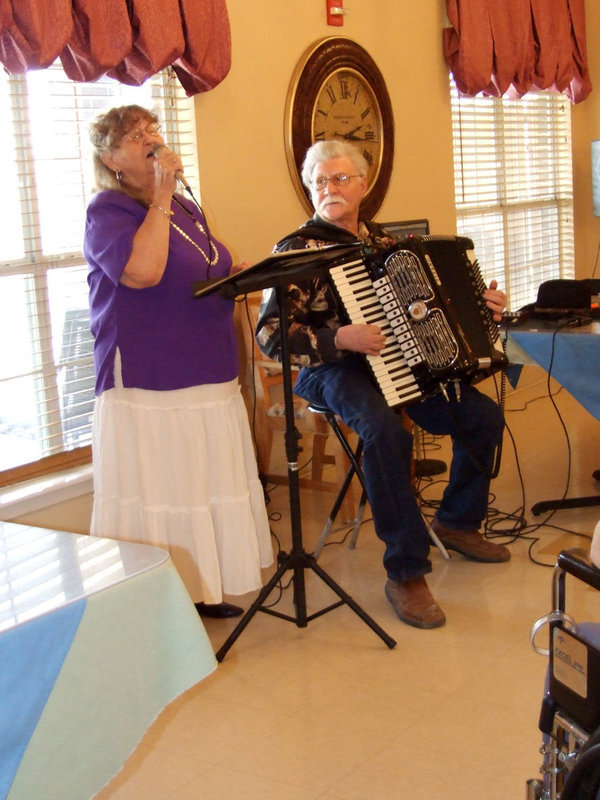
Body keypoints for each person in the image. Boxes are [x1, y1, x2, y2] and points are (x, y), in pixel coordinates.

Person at [256, 139, 509, 630]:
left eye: (340, 178)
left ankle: (457, 521)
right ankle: (406, 570)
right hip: (331, 369)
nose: (329, 188)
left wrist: (481, 309)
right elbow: (272, 336)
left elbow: (431, 312)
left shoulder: (388, 246)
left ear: (363, 185)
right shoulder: (296, 251)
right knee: (385, 431)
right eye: (320, 181)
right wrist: (338, 338)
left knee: (483, 416)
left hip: (399, 362)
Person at [84, 105, 273, 619]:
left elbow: (218, 265)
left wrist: (258, 270)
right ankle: (160, 603)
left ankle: (202, 586)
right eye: (133, 135)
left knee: (201, 484)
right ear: (111, 158)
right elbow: (143, 273)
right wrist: (163, 194)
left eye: (152, 129)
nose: (150, 138)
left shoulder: (187, 210)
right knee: (163, 487)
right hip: (150, 378)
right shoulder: (109, 211)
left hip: (207, 369)